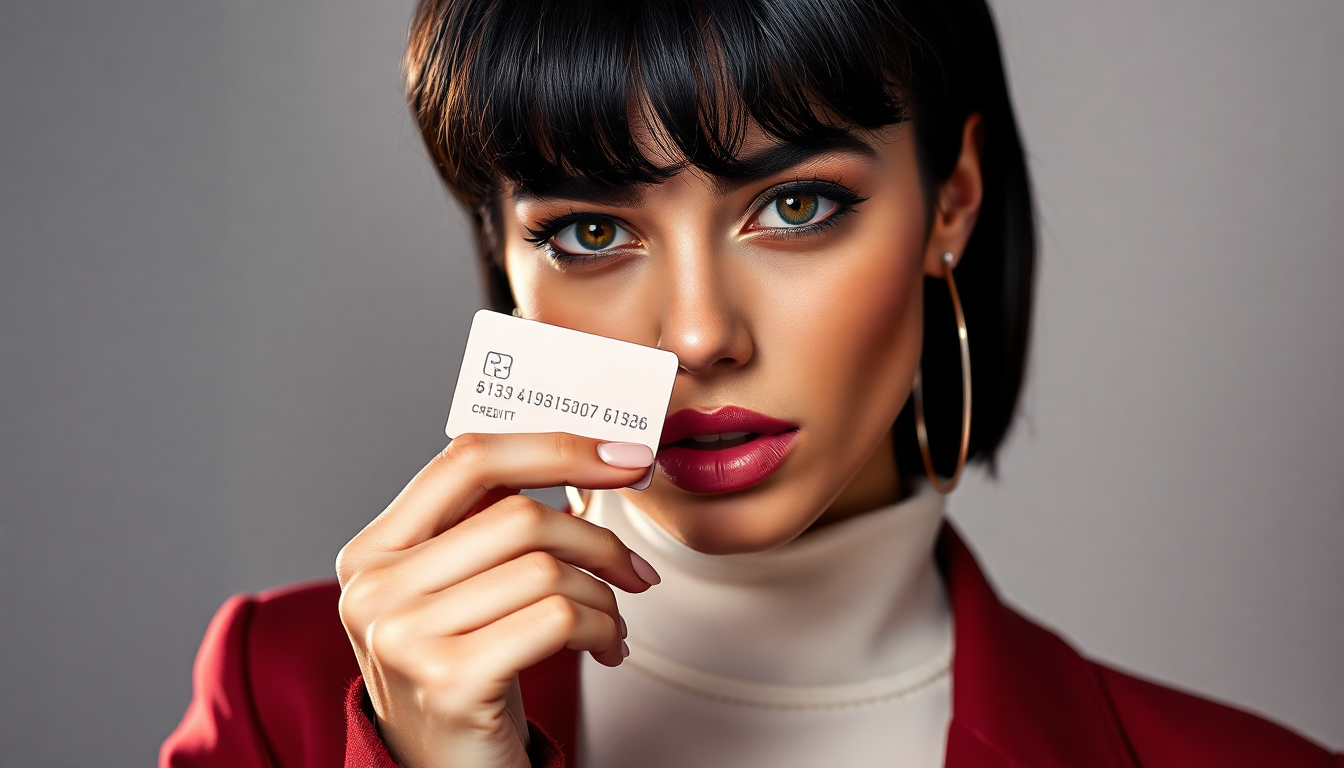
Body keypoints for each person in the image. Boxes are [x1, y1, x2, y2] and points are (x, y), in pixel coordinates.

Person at [161, 1, 1340, 766]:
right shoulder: (283, 703)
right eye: (586, 230)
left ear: (952, 201)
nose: (696, 335)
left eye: (796, 206)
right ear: (504, 257)